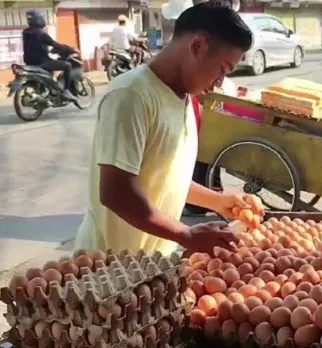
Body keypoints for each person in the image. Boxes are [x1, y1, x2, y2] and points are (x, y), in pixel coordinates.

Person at [73, 3, 254, 256]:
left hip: (152, 267)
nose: (219, 82)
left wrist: (219, 201)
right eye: (222, 69)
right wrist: (186, 234)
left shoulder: (184, 98)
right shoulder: (131, 95)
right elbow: (116, 192)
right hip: (109, 267)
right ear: (197, 46)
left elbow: (165, 178)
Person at [22, 10, 79, 102]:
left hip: (29, 63)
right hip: (42, 62)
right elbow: (56, 45)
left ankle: (49, 90)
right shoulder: (42, 34)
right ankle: (66, 91)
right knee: (67, 65)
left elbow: (37, 45)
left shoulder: (26, 33)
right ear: (39, 19)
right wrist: (71, 49)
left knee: (52, 69)